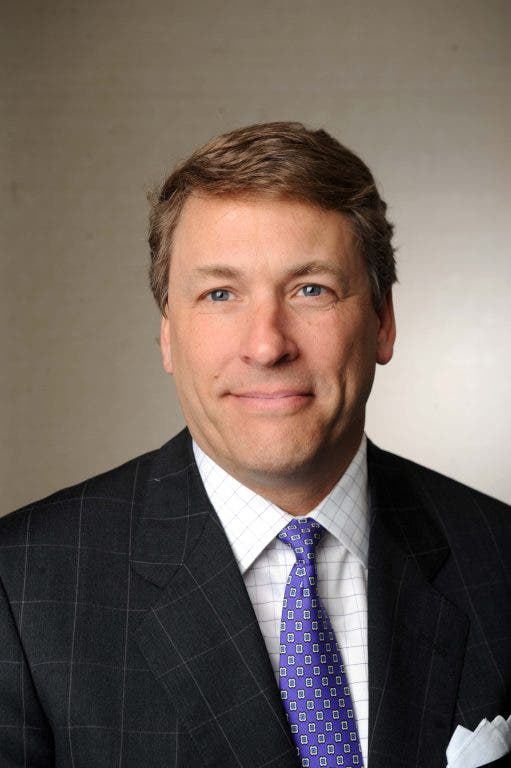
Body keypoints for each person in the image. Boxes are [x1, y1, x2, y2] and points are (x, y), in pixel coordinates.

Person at [0, 122, 509, 768]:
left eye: (311, 290)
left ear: (382, 322)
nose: (267, 345)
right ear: (167, 335)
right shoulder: (23, 589)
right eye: (220, 294)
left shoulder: (497, 557)